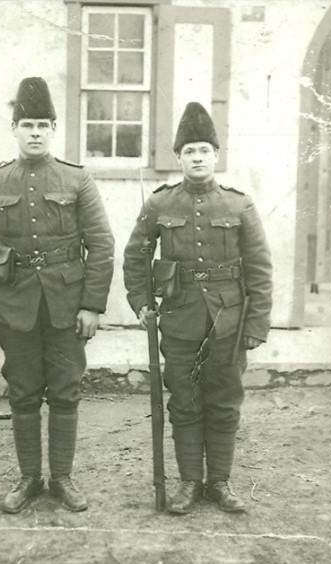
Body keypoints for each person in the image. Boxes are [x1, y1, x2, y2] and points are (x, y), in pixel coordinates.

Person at [0, 77, 114, 514]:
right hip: (15, 305)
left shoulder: (77, 178)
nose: (34, 133)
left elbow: (101, 244)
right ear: (14, 129)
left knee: (66, 392)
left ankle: (62, 478)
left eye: (42, 126)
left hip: (67, 306)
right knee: (23, 393)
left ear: (53, 130)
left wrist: (92, 306)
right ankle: (30, 478)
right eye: (27, 125)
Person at [123, 102, 272, 514]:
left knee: (224, 399)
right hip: (180, 317)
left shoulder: (239, 205)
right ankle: (190, 482)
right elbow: (135, 257)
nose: (198, 158)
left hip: (229, 319)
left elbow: (260, 267)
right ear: (178, 157)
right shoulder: (159, 204)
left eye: (205, 150)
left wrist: (256, 323)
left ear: (216, 155)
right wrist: (141, 303)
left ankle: (219, 482)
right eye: (189, 151)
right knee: (185, 400)